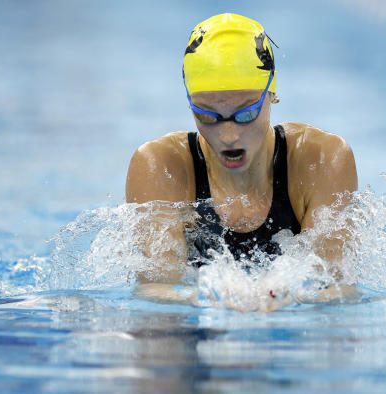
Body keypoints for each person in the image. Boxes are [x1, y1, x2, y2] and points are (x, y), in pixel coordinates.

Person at [125, 13, 357, 287]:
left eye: (245, 114)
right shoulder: (161, 166)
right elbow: (156, 292)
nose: (228, 135)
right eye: (207, 115)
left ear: (271, 93)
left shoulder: (320, 160)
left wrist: (285, 298)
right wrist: (209, 300)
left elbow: (335, 292)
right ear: (189, 103)